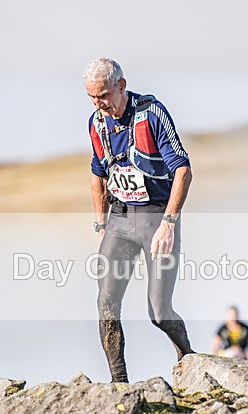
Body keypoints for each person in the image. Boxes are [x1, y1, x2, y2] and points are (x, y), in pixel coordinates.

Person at [84, 57, 194, 383]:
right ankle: (119, 386)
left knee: (159, 313)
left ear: (121, 86)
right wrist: (101, 224)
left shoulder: (152, 114)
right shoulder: (97, 123)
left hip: (155, 219)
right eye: (92, 97)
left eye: (103, 95)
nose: (99, 104)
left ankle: (189, 359)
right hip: (119, 220)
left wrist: (169, 223)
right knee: (106, 303)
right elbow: (97, 174)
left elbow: (183, 170)